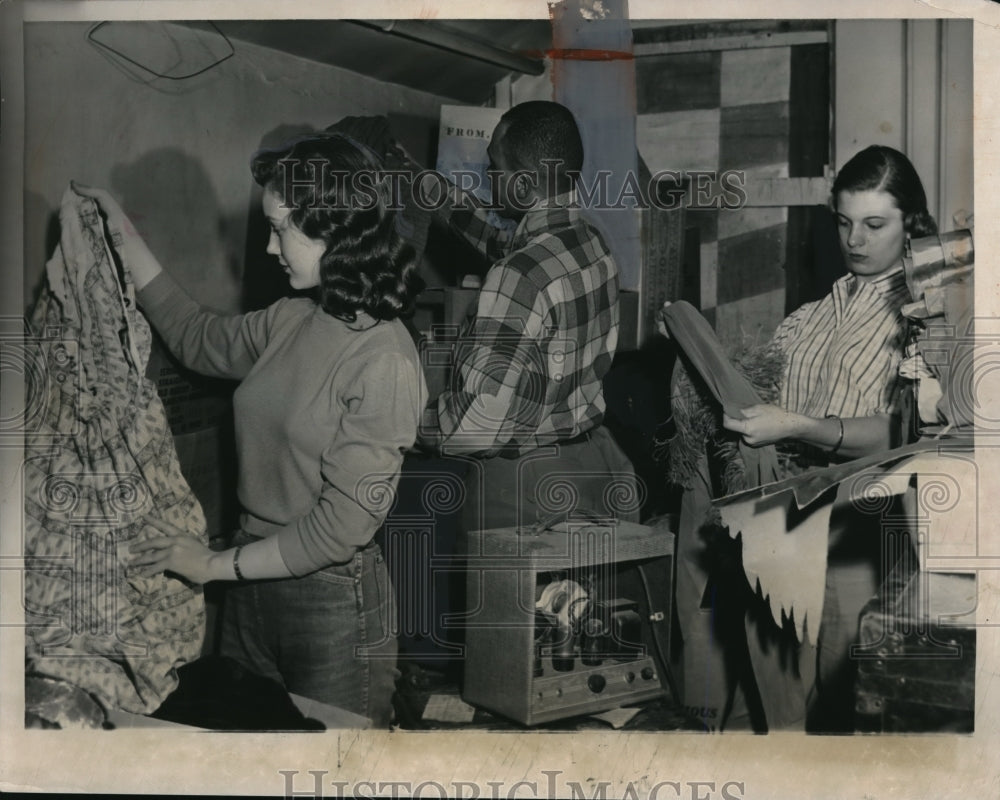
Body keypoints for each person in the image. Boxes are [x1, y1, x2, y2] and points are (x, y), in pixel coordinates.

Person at [75, 131, 427, 727]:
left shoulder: (383, 359)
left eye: (280, 228)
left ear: (332, 229)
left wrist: (210, 566)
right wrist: (123, 237)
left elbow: (339, 530)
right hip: (248, 584)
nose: (269, 248)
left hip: (330, 602)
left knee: (335, 771)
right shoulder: (292, 319)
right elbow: (194, 338)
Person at [678, 144, 934, 731]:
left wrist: (799, 426)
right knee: (782, 693)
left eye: (875, 224)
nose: (856, 240)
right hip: (790, 516)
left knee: (844, 701)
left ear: (912, 224)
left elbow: (905, 432)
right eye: (845, 223)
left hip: (863, 527)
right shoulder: (813, 314)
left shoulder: (921, 319)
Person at [415, 100, 640, 537]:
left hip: (522, 490)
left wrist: (407, 423)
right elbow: (506, 242)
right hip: (588, 465)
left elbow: (477, 426)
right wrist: (429, 187)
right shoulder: (589, 243)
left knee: (507, 607)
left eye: (494, 166)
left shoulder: (516, 276)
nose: (487, 175)